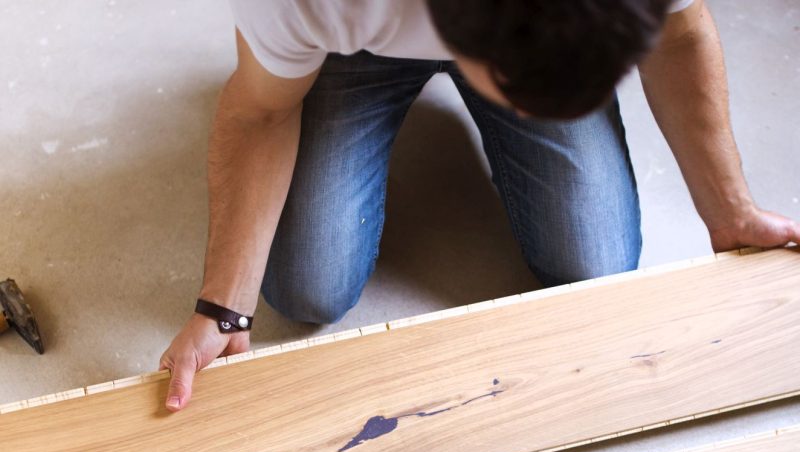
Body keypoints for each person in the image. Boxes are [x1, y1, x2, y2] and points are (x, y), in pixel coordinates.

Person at [160, 0, 799, 412]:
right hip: (352, 46)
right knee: (307, 289)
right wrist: (221, 309)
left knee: (595, 267)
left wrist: (731, 212)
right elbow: (262, 111)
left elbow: (681, 38)